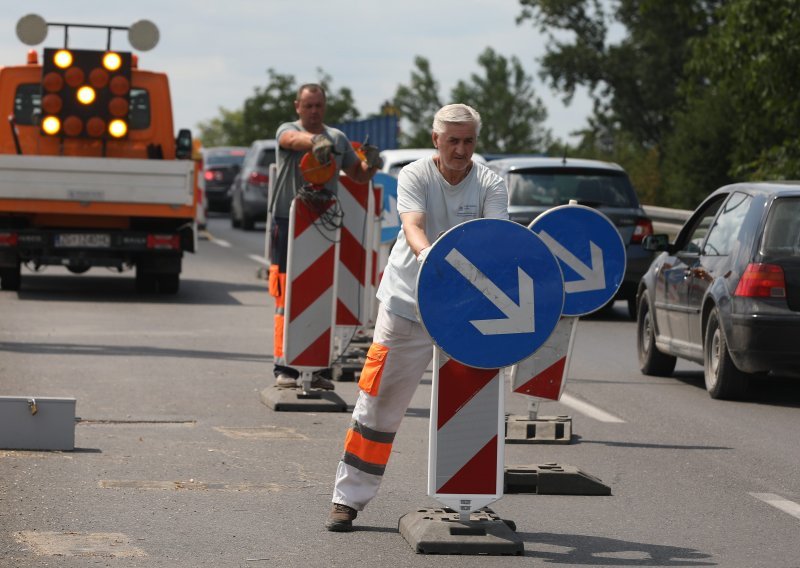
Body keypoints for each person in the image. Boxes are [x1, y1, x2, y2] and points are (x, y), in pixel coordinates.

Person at [325, 103, 509, 531]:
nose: (461, 150)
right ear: (436, 141)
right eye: (453, 141)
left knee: (472, 403)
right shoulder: (414, 175)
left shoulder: (490, 183)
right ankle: (347, 500)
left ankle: (467, 500)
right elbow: (413, 226)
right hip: (407, 304)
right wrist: (432, 257)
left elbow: (495, 237)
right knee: (379, 402)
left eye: (468, 141)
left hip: (465, 312)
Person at [270, 83, 381, 389]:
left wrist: (370, 164)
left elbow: (356, 174)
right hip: (289, 220)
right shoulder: (287, 130)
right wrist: (315, 142)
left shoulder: (338, 139)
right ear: (298, 106)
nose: (314, 111)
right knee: (287, 295)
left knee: (320, 294)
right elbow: (291, 140)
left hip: (322, 223)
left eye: (319, 105)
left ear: (325, 106)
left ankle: (313, 367)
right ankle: (284, 365)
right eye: (308, 106)